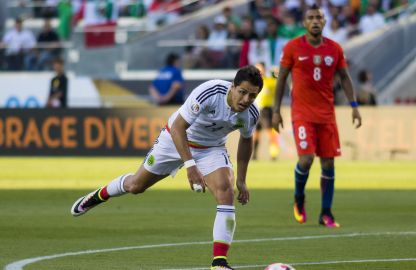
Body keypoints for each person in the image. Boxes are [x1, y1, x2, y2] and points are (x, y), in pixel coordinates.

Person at [71, 65, 263, 269]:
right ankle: (99, 195)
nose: (245, 100)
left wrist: (241, 179)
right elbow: (179, 127)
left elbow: (246, 141)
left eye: (252, 96)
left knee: (226, 191)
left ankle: (219, 263)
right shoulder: (210, 92)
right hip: (175, 139)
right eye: (242, 92)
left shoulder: (251, 113)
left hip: (211, 149)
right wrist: (190, 166)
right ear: (232, 87)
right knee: (136, 186)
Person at [272, 5, 362, 228]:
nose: (314, 21)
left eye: (318, 18)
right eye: (310, 17)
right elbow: (281, 78)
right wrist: (275, 111)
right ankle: (299, 198)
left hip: (327, 115)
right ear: (304, 23)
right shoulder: (292, 47)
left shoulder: (335, 49)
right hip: (302, 113)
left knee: (328, 164)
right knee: (306, 158)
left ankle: (326, 213)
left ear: (324, 22)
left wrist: (354, 105)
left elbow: (345, 77)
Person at [252, 62, 280, 161]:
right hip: (255, 110)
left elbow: (278, 81)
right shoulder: (253, 82)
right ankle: (254, 155)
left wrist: (275, 73)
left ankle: (273, 155)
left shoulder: (269, 81)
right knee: (255, 134)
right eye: (257, 69)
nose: (258, 71)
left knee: (271, 134)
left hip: (266, 111)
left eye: (260, 69)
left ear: (264, 69)